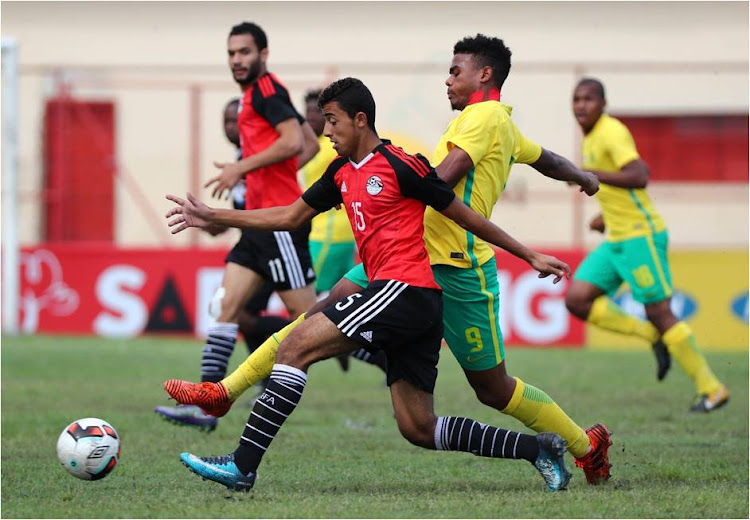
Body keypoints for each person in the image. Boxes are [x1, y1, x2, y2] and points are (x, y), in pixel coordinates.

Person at [164, 35, 612, 486]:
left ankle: (584, 445)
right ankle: (224, 392)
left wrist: (384, 175)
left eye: (456, 70)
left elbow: (438, 184)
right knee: (317, 331)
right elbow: (546, 158)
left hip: (452, 266)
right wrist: (583, 177)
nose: (448, 78)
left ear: (485, 75)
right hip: (405, 256)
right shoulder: (484, 127)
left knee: (493, 388)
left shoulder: (485, 116)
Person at [154, 21, 320, 431]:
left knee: (314, 323)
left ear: (263, 55)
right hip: (256, 224)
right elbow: (310, 145)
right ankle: (205, 405)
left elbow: (293, 143)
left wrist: (241, 169)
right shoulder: (257, 95)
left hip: (279, 224)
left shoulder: (266, 91)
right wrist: (266, 177)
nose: (237, 60)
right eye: (231, 53)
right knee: (224, 310)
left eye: (244, 52)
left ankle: (385, 351)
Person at [565, 77, 729, 412]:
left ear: (603, 104)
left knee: (659, 310)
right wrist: (605, 217)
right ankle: (652, 337)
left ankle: (712, 389)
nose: (581, 105)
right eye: (576, 99)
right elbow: (617, 186)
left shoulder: (611, 131)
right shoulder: (592, 138)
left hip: (642, 236)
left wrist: (588, 174)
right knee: (577, 299)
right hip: (618, 238)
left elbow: (639, 175)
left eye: (589, 99)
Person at [300, 88, 387, 372]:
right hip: (345, 237)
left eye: (323, 116)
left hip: (326, 238)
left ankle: (372, 355)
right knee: (335, 306)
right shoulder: (324, 145)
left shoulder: (326, 149)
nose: (316, 121)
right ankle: (366, 353)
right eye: (311, 113)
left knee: (311, 310)